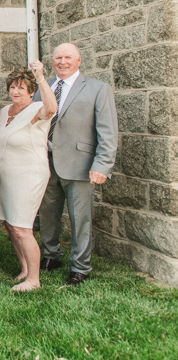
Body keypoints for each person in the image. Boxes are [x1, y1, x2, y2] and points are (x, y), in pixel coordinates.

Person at [36, 43, 118, 286]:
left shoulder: (97, 88)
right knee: (48, 215)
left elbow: (108, 130)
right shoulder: (44, 87)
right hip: (46, 163)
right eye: (58, 57)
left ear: (78, 60)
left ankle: (80, 267)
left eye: (68, 57)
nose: (62, 61)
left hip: (80, 164)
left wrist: (102, 164)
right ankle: (51, 256)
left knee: (80, 218)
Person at [0, 62, 58, 291]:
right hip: (8, 175)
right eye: (12, 87)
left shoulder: (37, 109)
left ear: (31, 91)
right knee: (10, 225)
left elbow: (52, 110)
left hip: (29, 174)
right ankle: (24, 270)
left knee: (23, 228)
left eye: (21, 88)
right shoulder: (5, 112)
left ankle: (34, 279)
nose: (15, 91)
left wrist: (41, 77)